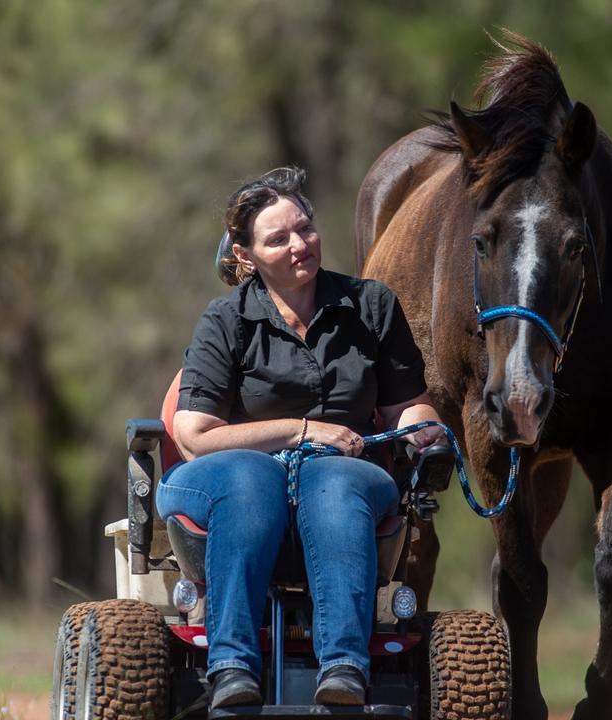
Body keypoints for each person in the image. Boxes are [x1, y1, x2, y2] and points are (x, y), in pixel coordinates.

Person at [155, 167, 445, 708]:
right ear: (245, 255)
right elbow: (193, 435)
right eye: (277, 238)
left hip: (342, 475)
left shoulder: (372, 305)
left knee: (336, 483)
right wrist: (300, 429)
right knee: (251, 477)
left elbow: (407, 406)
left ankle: (344, 669)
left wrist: (422, 427)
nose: (299, 245)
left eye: (305, 229)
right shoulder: (225, 320)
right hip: (235, 472)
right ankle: (232, 667)